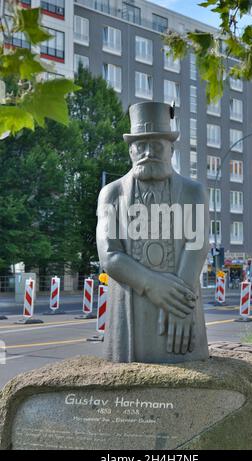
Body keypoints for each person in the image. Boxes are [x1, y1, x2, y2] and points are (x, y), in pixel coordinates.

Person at [96, 101, 209, 363]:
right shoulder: (112, 194)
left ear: (171, 149)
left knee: (186, 367)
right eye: (140, 146)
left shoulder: (193, 192)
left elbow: (198, 243)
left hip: (181, 302)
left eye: (156, 145)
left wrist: (180, 304)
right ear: (130, 151)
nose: (148, 152)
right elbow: (110, 255)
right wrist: (151, 284)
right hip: (130, 310)